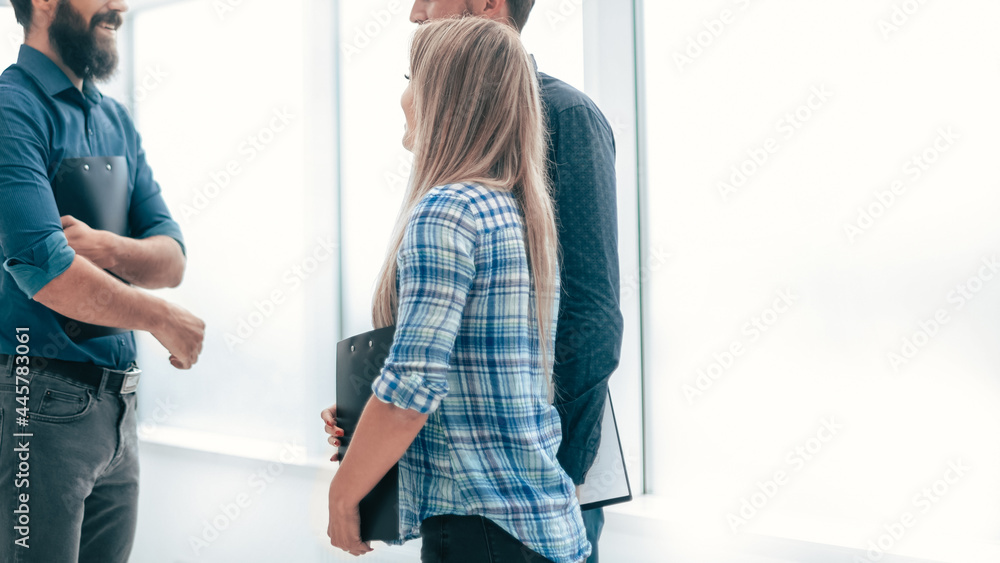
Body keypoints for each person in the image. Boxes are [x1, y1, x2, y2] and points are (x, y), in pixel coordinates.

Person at [322, 16, 589, 563]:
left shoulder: (446, 211)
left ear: (444, 95)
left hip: (482, 530)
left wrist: (344, 491)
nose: (403, 95)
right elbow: (476, 381)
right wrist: (367, 409)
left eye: (411, 76)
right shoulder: (513, 212)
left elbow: (413, 387)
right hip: (538, 525)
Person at [407, 2, 625, 562]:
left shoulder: (564, 115)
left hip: (540, 484)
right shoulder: (456, 127)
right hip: (470, 491)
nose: (415, 13)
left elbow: (592, 317)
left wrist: (553, 473)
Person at [0, 1, 205, 561]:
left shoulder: (114, 120)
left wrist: (108, 246)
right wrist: (159, 315)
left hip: (119, 410)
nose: (119, 5)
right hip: (34, 402)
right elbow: (44, 270)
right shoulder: (10, 110)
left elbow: (172, 257)